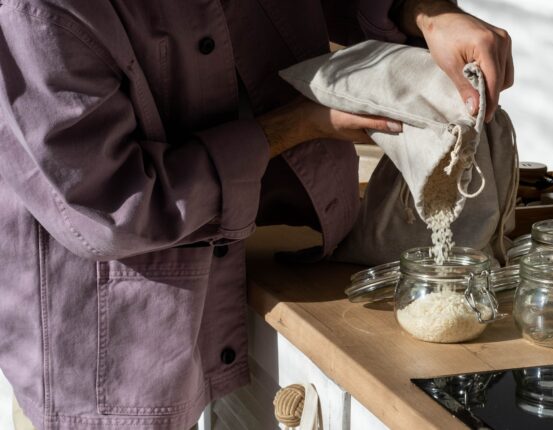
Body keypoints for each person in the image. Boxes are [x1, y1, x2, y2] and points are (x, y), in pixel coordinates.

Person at [0, 0, 513, 428]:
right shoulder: (36, 11)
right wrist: (292, 128)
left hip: (243, 270)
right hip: (114, 348)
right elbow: (111, 203)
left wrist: (426, 12)